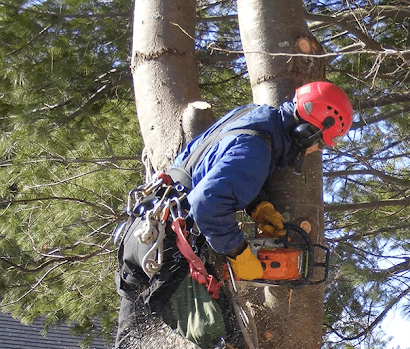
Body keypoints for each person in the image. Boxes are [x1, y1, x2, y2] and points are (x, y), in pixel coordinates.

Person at [114, 81, 353, 349]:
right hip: (168, 249)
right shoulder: (257, 149)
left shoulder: (254, 117)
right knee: (223, 339)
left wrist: (257, 205)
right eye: (320, 144)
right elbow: (206, 204)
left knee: (134, 337)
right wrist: (237, 251)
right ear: (308, 133)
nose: (317, 150)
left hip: (147, 231)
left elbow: (223, 167)